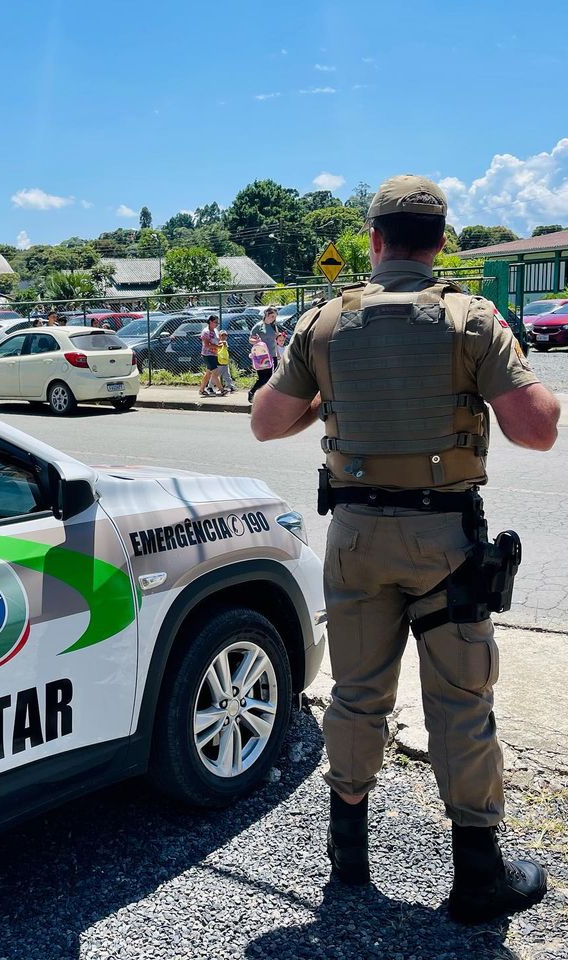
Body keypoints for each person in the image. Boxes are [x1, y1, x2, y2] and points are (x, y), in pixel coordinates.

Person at [250, 175, 561, 925]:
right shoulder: (472, 319)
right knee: (459, 700)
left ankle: (348, 861)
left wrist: (339, 394)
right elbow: (538, 428)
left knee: (356, 693)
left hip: (354, 535)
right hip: (445, 539)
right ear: (441, 242)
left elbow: (267, 421)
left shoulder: (323, 323)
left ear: (374, 240)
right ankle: (478, 878)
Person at [198, 315, 226, 397]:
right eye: (215, 322)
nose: (217, 324)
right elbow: (206, 345)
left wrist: (221, 343)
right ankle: (222, 390)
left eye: (217, 322)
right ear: (210, 322)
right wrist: (218, 347)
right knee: (215, 372)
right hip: (207, 355)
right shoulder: (205, 332)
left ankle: (201, 390)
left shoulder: (215, 330)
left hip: (214, 354)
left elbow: (217, 341)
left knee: (208, 374)